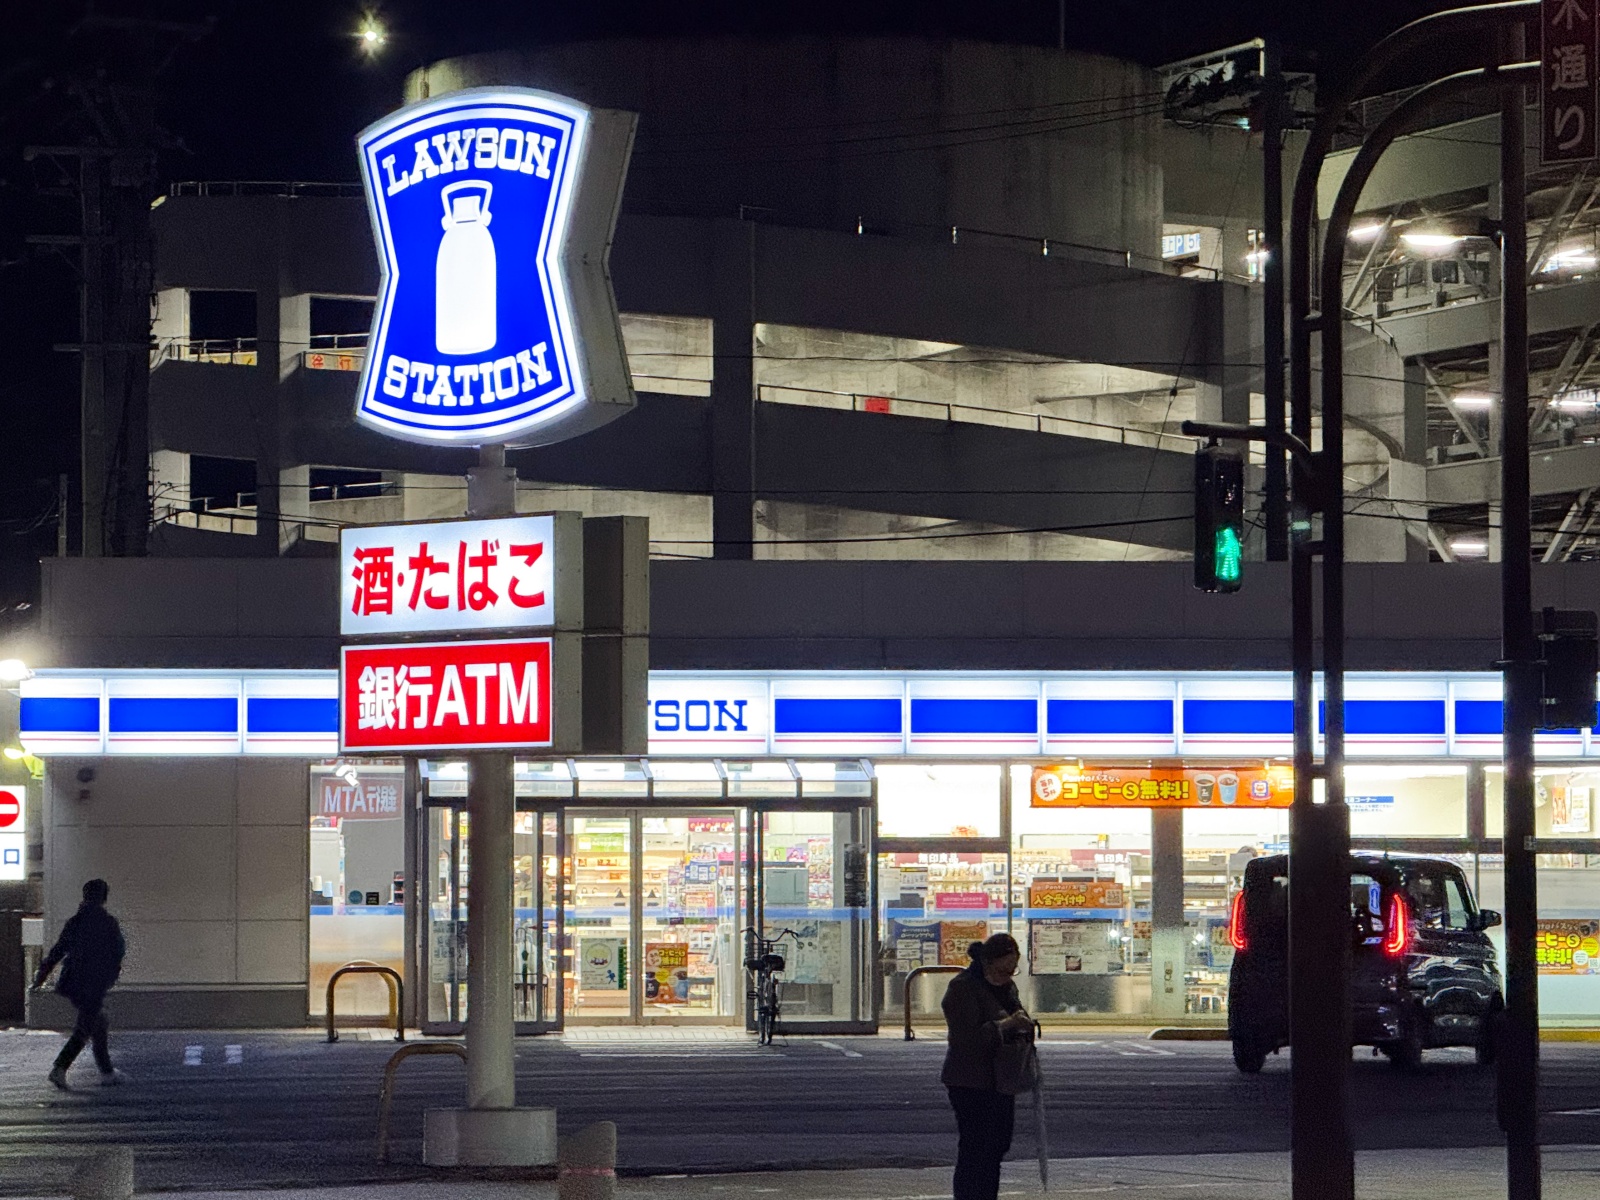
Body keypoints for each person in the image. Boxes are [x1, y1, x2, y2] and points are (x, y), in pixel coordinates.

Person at [941, 932, 1032, 1200]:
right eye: (1004, 968)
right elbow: (965, 1038)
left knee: (998, 1145)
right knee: (975, 1146)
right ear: (988, 962)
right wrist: (1005, 1025)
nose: (1008, 975)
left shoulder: (1007, 988)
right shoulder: (963, 988)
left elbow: (1017, 1013)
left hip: (1002, 1078)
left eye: (1012, 969)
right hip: (969, 1080)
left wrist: (1022, 1026)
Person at [32, 878, 127, 1089]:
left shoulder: (75, 922)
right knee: (86, 1027)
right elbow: (118, 951)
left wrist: (41, 977)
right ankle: (60, 1067)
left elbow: (57, 951)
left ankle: (106, 1071)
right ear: (103, 897)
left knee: (98, 1022)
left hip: (74, 983)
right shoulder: (108, 923)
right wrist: (113, 973)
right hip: (95, 983)